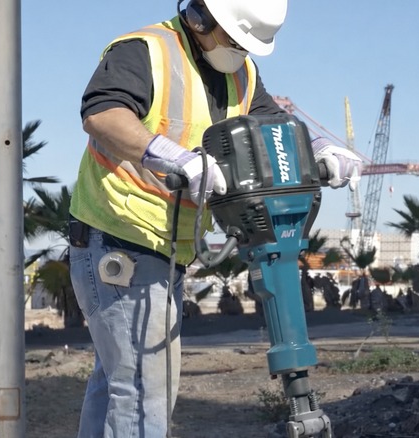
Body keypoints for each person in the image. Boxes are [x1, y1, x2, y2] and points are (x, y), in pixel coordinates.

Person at [68, 1, 363, 436]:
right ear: (201, 17)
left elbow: (271, 125)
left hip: (167, 250)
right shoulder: (146, 50)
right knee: (143, 390)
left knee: (117, 385)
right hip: (120, 238)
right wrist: (171, 157)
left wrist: (318, 148)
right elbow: (102, 115)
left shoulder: (240, 72)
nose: (238, 52)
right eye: (233, 40)